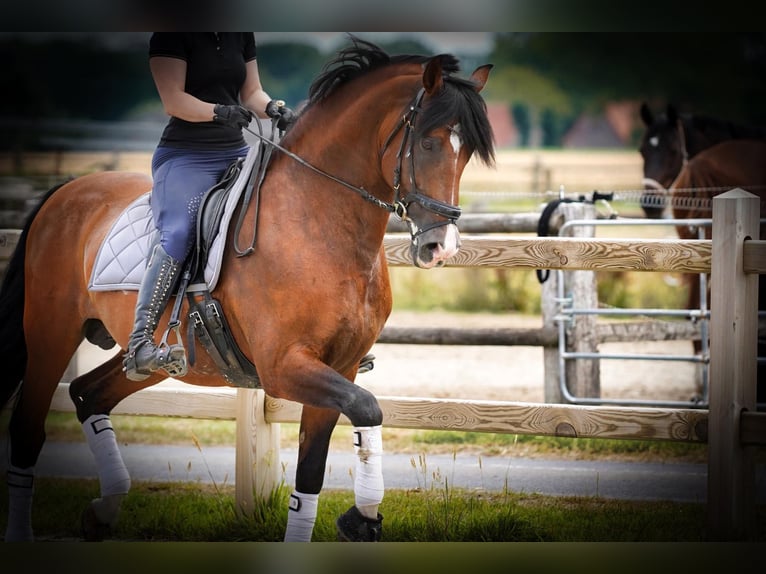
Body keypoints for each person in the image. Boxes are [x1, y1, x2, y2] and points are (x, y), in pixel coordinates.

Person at [123, 32, 295, 381]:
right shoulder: (171, 34)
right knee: (180, 231)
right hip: (186, 155)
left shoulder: (240, 34)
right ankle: (140, 344)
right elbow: (174, 101)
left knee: (279, 214)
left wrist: (273, 108)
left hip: (235, 151)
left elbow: (251, 94)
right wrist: (218, 111)